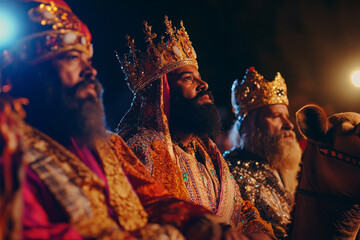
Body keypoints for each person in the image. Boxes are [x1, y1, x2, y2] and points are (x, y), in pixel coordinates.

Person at [0, 1, 246, 239]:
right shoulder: (11, 148)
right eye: (73, 57)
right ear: (32, 75)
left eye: (89, 59)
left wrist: (200, 225)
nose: (90, 71)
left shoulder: (110, 146)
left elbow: (152, 199)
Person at [116, 16, 274, 237]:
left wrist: (259, 234)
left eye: (199, 77)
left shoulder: (208, 154)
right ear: (163, 94)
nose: (204, 85)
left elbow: (241, 212)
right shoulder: (142, 150)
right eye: (188, 78)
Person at [224, 67, 302, 238]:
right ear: (251, 126)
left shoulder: (282, 167)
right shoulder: (231, 172)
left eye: (286, 116)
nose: (289, 125)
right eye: (275, 116)